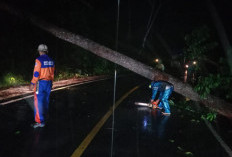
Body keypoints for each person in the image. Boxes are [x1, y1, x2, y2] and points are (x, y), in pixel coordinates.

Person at [29, 44, 55, 128]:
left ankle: (40, 121)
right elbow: (52, 73)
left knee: (38, 102)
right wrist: (51, 83)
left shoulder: (38, 60)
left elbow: (36, 73)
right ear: (46, 51)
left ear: (39, 51)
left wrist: (32, 83)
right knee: (45, 101)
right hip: (49, 83)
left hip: (40, 83)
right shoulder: (51, 60)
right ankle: (45, 117)